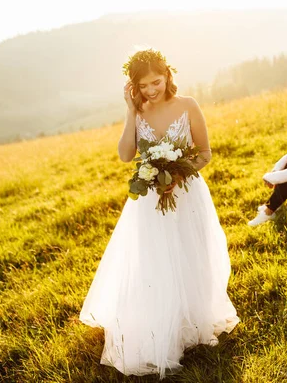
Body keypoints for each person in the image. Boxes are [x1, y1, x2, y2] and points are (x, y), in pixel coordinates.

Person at [79, 49, 240, 378]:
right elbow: (126, 155)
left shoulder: (188, 105)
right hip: (150, 200)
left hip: (186, 193)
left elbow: (205, 153)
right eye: (144, 85)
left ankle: (192, 322)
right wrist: (130, 112)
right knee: (155, 260)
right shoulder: (138, 111)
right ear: (133, 86)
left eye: (157, 81)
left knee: (190, 254)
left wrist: (179, 173)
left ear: (168, 75)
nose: (152, 89)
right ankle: (159, 325)